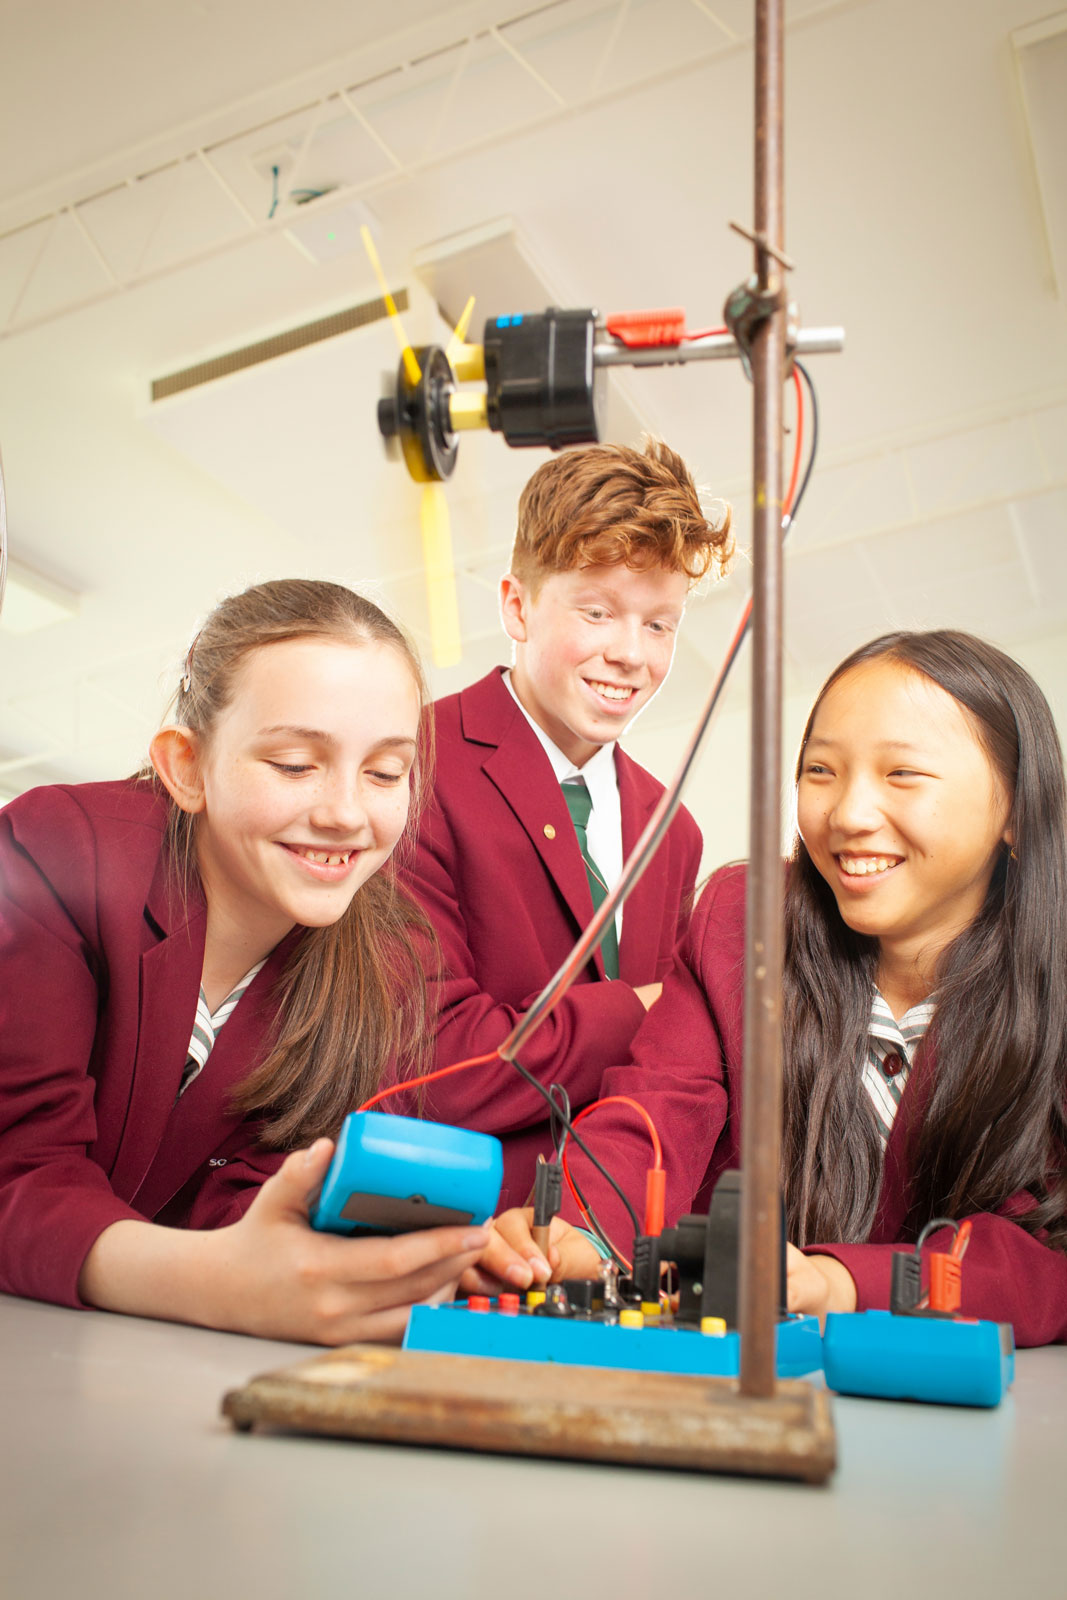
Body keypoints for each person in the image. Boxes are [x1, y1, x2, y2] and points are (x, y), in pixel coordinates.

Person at [493, 631, 1067, 1347]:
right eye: (820, 770)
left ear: (1013, 809)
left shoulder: (1050, 989)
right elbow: (654, 1112)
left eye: (901, 775)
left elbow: (1042, 1250)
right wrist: (582, 1229)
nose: (849, 814)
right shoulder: (742, 922)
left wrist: (841, 1283)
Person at [0, 579, 534, 1345]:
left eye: (385, 773)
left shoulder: (386, 956)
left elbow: (244, 1188)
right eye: (293, 764)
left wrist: (380, 1262)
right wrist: (220, 1282)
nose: (346, 812)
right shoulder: (57, 849)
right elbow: (18, 1170)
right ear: (186, 766)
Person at [396, 441, 733, 1207]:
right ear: (517, 606)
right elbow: (441, 1068)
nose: (630, 655)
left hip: (612, 1228)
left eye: (660, 625)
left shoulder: (670, 827)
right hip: (446, 1220)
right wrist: (648, 1008)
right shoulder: (412, 765)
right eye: (596, 612)